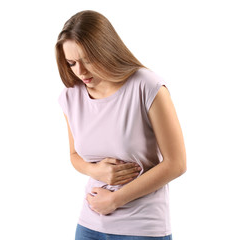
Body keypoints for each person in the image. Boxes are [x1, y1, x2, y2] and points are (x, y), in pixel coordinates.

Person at [56, 10, 186, 240]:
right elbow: (75, 154)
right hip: (89, 225)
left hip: (142, 228)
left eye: (88, 60)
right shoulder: (70, 96)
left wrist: (115, 199)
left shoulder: (146, 86)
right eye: (72, 63)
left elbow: (177, 164)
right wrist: (97, 171)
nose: (81, 71)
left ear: (106, 50)